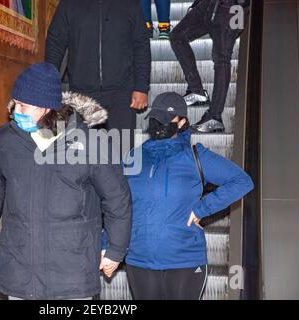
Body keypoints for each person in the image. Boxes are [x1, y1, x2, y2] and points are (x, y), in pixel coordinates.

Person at [0, 62, 132, 300]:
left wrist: (115, 250)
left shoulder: (90, 143)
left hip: (72, 274)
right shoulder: (4, 140)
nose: (14, 111)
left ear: (46, 107)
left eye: (23, 105)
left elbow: (117, 198)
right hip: (20, 271)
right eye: (15, 103)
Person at [123, 92, 254, 300]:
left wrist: (202, 209)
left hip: (184, 261)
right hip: (140, 260)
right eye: (156, 118)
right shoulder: (133, 157)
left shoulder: (195, 156)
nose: (159, 124)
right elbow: (118, 205)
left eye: (166, 120)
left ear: (182, 122)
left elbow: (242, 181)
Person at [45, 0, 151, 158]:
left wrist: (141, 87)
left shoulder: (130, 4)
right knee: (81, 159)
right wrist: (50, 85)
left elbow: (141, 44)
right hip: (82, 96)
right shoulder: (69, 4)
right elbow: (55, 43)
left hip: (122, 96)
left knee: (121, 158)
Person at [169, 0, 250, 133]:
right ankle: (196, 91)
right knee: (177, 36)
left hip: (231, 8)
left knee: (222, 58)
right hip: (209, 4)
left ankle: (214, 116)